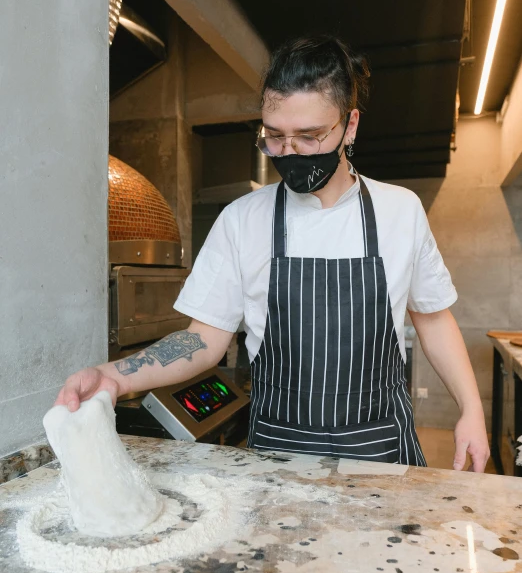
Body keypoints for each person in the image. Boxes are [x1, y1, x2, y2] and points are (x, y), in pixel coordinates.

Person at [56, 36, 490, 472]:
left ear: (350, 125)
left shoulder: (401, 211)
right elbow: (203, 340)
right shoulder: (242, 220)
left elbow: (432, 317)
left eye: (309, 136)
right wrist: (115, 375)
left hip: (381, 453)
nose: (290, 152)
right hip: (278, 458)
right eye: (275, 137)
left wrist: (471, 408)